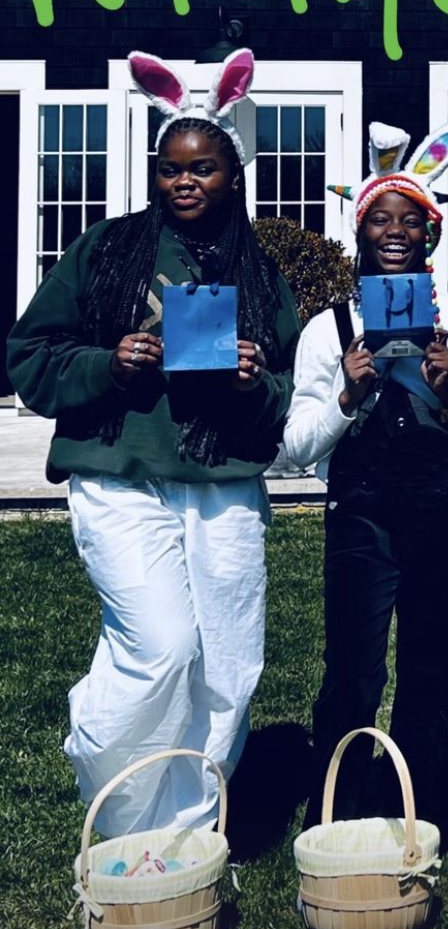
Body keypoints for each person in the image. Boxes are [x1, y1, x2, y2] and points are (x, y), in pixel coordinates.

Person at [7, 49, 301, 837]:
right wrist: (110, 363)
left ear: (230, 177)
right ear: (154, 174)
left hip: (221, 480)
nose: (185, 181)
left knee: (227, 668)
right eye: (171, 168)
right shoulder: (105, 252)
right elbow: (30, 355)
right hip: (119, 472)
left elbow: (287, 394)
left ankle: (189, 833)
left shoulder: (261, 274)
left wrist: (249, 385)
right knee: (163, 647)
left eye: (202, 168)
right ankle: (120, 800)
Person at [283, 120, 448, 828]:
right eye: (381, 217)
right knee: (352, 667)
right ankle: (336, 812)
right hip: (363, 508)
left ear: (430, 234)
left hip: (444, 504)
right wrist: (348, 395)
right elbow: (295, 447)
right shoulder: (330, 328)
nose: (396, 229)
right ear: (360, 230)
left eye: (412, 219)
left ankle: (417, 807)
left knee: (433, 661)